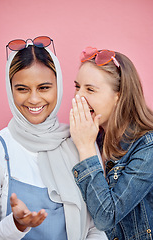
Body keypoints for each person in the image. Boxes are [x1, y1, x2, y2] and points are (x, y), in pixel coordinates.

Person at [0, 40, 108, 240]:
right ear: (10, 90)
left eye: (44, 87)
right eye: (22, 89)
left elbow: (97, 226)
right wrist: (17, 225)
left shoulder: (80, 141)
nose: (34, 99)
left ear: (58, 86)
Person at [70, 46, 153, 240]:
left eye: (90, 89)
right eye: (77, 87)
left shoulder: (147, 146)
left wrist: (85, 147)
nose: (78, 96)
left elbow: (107, 217)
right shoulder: (94, 138)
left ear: (119, 96)